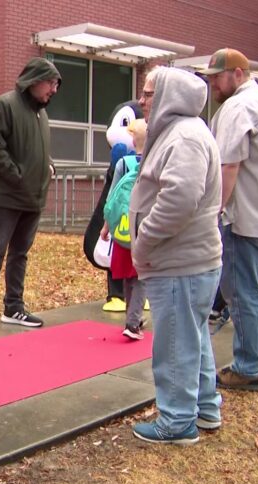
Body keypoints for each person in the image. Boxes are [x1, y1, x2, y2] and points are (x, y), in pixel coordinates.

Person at [129, 67, 223, 444]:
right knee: (192, 337)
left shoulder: (184, 137)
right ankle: (204, 408)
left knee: (174, 343)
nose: (142, 100)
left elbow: (180, 199)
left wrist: (144, 241)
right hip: (186, 261)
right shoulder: (181, 133)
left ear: (168, 95)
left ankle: (177, 420)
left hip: (179, 262)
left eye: (149, 93)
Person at [201, 48, 258, 392]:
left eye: (217, 76)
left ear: (238, 73)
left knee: (242, 293)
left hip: (246, 219)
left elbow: (228, 165)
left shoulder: (238, 108)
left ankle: (247, 366)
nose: (212, 83)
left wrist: (214, 211)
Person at [0, 57, 62, 334]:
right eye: (51, 83)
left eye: (56, 85)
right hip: (7, 196)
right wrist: (17, 175)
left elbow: (35, 149)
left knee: (21, 253)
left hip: (34, 197)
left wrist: (48, 165)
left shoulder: (41, 114)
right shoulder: (4, 105)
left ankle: (13, 307)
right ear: (34, 80)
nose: (54, 90)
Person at [101, 118, 148, 339]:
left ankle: (133, 317)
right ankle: (133, 322)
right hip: (145, 227)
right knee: (139, 275)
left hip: (122, 227)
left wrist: (105, 226)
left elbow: (112, 197)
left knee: (129, 275)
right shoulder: (152, 162)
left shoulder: (123, 163)